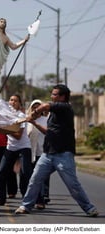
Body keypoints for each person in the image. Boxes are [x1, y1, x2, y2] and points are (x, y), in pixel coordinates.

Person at [15, 84, 99, 217]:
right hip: (48, 154)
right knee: (35, 179)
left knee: (73, 185)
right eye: (52, 94)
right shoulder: (54, 115)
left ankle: (89, 208)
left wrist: (33, 114)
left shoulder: (64, 107)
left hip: (63, 154)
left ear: (62, 97)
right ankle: (26, 206)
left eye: (54, 94)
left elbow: (44, 106)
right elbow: (49, 132)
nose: (52, 96)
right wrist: (34, 123)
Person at [0, 94, 32, 206]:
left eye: (15, 101)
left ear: (19, 103)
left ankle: (31, 199)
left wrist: (4, 130)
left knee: (26, 174)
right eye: (11, 100)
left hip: (23, 148)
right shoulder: (5, 116)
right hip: (10, 148)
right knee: (1, 172)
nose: (12, 102)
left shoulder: (21, 116)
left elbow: (18, 135)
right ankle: (1, 199)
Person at [26, 99, 50, 208]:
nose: (36, 109)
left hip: (43, 152)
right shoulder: (27, 121)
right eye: (34, 107)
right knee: (31, 177)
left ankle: (41, 199)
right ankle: (34, 199)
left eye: (38, 107)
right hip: (29, 152)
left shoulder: (46, 120)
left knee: (40, 177)